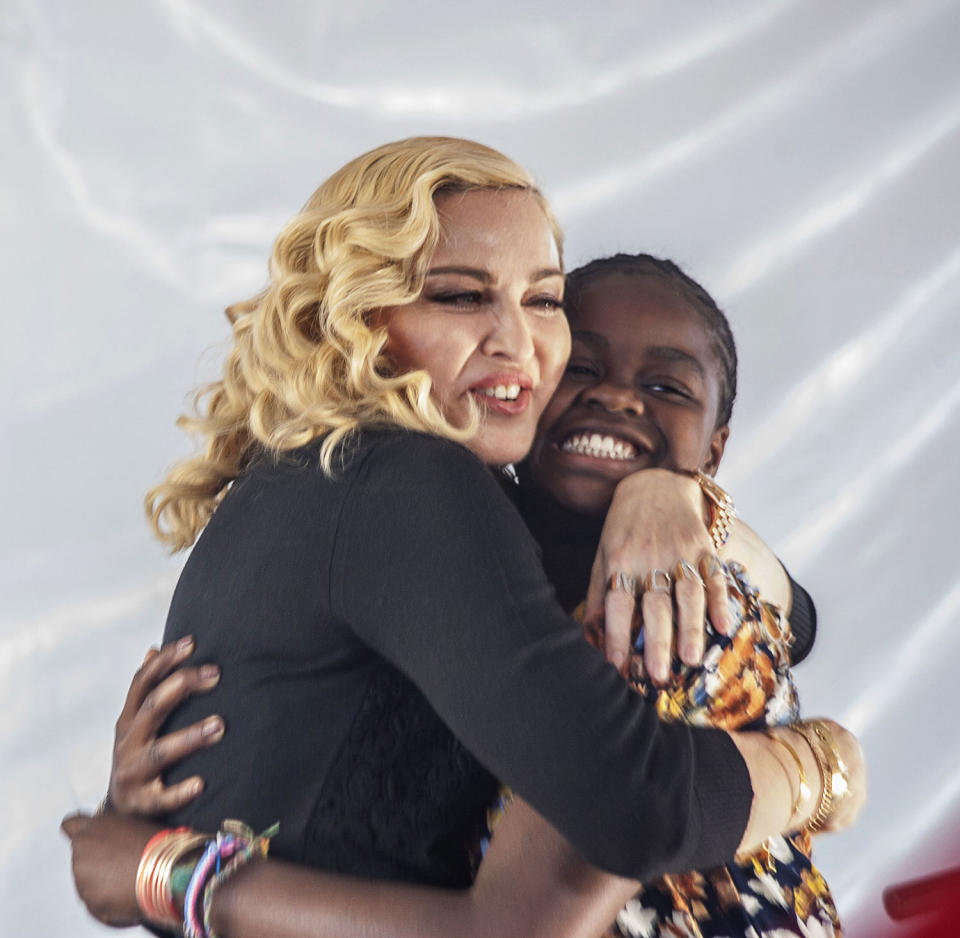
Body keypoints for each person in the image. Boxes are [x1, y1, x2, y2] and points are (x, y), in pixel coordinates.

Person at [63, 138, 864, 937]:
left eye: (544, 300)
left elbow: (793, 622)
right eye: (458, 297)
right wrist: (824, 767)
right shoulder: (403, 483)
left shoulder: (314, 477)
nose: (518, 341)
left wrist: (678, 498)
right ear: (355, 319)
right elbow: (621, 823)